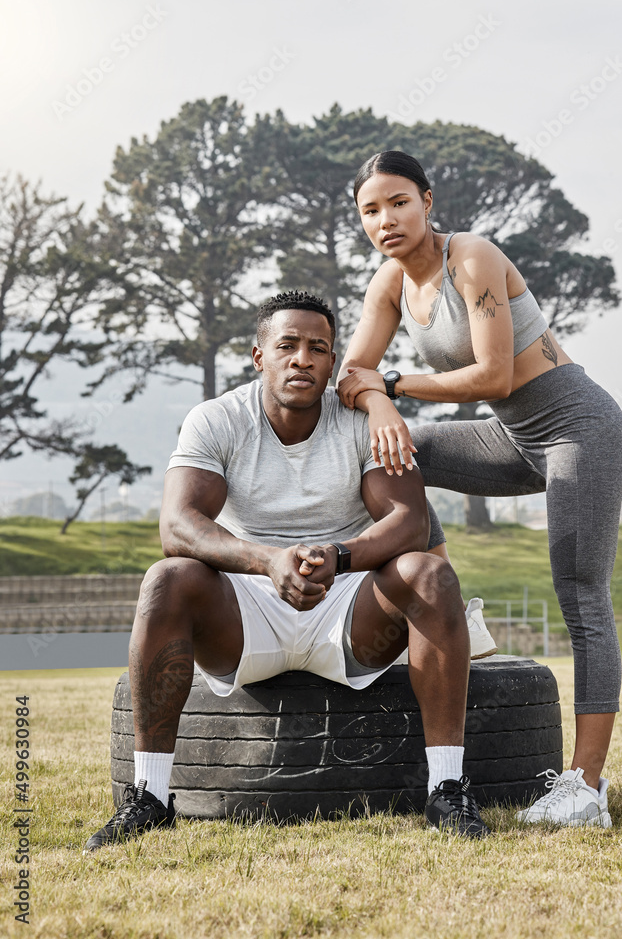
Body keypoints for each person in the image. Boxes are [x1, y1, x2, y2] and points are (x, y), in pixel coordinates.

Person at [84, 291, 490, 851]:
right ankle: (151, 797)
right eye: (288, 346)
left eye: (318, 348)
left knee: (427, 571)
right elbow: (178, 526)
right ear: (259, 357)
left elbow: (409, 521)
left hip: (347, 609)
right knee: (166, 579)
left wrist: (339, 555)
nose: (302, 358)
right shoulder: (217, 418)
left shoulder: (359, 422)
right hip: (247, 612)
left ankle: (448, 788)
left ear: (332, 363)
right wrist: (268, 560)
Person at [337, 151, 622, 828]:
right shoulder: (389, 283)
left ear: (428, 201)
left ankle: (587, 789)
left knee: (580, 592)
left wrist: (395, 386)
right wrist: (381, 407)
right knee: (390, 456)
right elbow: (355, 371)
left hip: (579, 429)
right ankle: (452, 607)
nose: (387, 219)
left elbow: (495, 376)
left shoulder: (470, 258)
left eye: (399, 202)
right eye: (370, 210)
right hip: (513, 441)